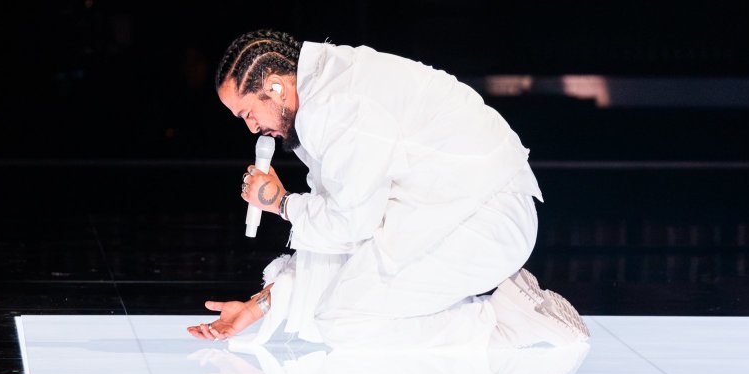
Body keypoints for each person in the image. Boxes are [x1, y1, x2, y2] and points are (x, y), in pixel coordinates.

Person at [188, 29, 589, 350]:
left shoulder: (336, 107)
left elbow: (348, 228)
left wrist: (280, 204)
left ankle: (502, 321)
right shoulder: (327, 92)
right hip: (458, 214)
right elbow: (336, 242)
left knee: (346, 321)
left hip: (483, 222)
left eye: (247, 113)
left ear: (274, 88)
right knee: (340, 311)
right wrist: (260, 305)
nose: (252, 128)